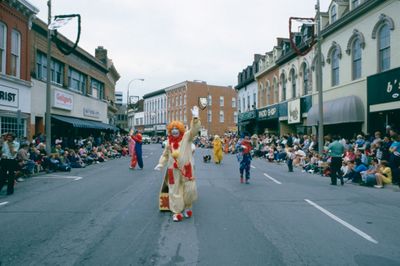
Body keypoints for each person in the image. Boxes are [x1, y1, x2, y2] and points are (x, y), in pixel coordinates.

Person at [154, 106, 201, 222]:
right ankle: (177, 211)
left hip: (186, 168)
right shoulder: (168, 142)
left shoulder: (186, 137)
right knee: (174, 190)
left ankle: (187, 207)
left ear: (180, 129)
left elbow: (194, 131)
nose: (174, 130)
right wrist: (161, 164)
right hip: (172, 170)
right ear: (170, 130)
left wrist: (195, 118)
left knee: (189, 188)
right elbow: (165, 155)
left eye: (176, 128)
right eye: (172, 129)